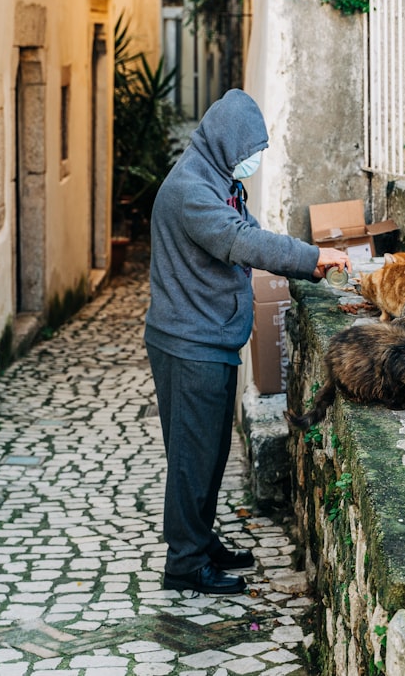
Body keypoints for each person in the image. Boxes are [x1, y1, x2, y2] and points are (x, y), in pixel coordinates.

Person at [144, 89, 351, 595]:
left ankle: (199, 540)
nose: (252, 161)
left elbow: (247, 230)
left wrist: (309, 260)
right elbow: (242, 242)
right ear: (224, 142)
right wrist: (310, 255)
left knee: (209, 454)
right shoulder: (192, 189)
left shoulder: (215, 178)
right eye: (248, 151)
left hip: (204, 338)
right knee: (194, 458)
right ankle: (185, 564)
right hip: (189, 343)